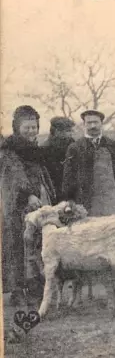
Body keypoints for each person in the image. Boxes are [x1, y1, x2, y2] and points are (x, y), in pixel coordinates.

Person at [0, 105, 55, 307]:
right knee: (17, 245)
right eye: (27, 127)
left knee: (37, 245)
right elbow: (15, 175)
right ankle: (17, 290)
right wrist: (29, 194)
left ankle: (36, 286)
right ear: (17, 128)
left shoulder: (33, 149)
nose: (31, 131)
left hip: (38, 203)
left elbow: (41, 174)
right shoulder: (10, 150)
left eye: (34, 127)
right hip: (18, 205)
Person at [61, 110, 115, 217]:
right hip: (85, 199)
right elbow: (68, 176)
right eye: (89, 123)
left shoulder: (112, 145)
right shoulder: (75, 148)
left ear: (101, 123)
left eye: (96, 122)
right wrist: (69, 198)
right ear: (84, 125)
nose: (93, 126)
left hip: (109, 199)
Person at [41, 116, 76, 203]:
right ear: (57, 132)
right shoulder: (45, 149)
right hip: (54, 192)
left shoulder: (72, 144)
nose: (71, 133)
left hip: (72, 191)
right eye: (68, 131)